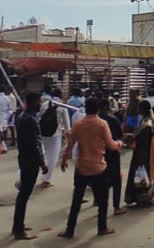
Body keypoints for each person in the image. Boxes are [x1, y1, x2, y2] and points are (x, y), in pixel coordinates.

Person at [58, 97, 124, 239]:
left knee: (76, 201)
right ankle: (102, 228)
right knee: (103, 201)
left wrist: (64, 159)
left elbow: (70, 145)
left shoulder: (78, 124)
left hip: (82, 167)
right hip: (98, 167)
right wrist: (120, 144)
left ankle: (69, 230)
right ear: (98, 109)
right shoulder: (102, 124)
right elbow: (110, 145)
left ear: (85, 108)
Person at [12, 92, 48, 240]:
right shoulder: (30, 120)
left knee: (23, 195)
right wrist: (42, 163)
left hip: (24, 158)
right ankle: (18, 229)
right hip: (30, 161)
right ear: (34, 103)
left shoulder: (23, 117)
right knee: (24, 195)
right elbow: (34, 144)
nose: (41, 104)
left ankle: (19, 225)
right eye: (39, 102)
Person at [125, 100, 154, 206]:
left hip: (142, 153)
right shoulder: (148, 121)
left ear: (142, 109)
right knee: (143, 174)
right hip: (145, 152)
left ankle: (142, 198)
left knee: (140, 174)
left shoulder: (146, 124)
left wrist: (130, 139)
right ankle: (145, 197)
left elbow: (140, 139)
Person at [99, 99, 126, 215]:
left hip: (98, 152)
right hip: (112, 151)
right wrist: (121, 143)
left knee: (100, 178)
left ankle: (97, 201)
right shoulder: (113, 120)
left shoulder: (95, 120)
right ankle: (116, 206)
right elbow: (120, 136)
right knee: (116, 179)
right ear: (108, 107)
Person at [39, 89, 71, 188]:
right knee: (53, 157)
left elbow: (38, 117)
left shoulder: (44, 104)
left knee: (43, 153)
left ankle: (40, 172)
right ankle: (46, 179)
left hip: (43, 132)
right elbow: (67, 126)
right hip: (55, 134)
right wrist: (68, 140)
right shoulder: (62, 107)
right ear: (61, 95)